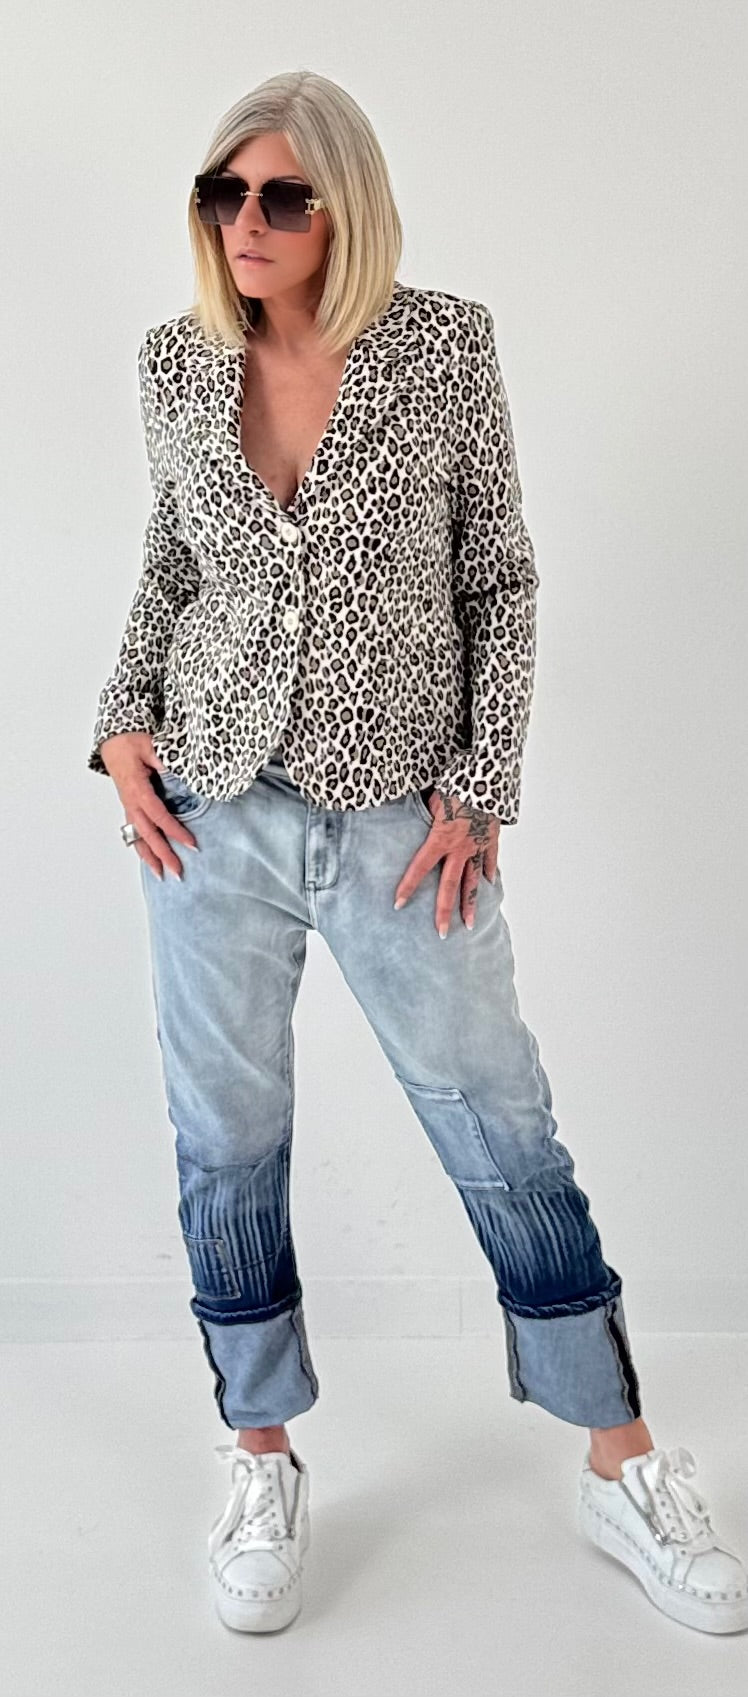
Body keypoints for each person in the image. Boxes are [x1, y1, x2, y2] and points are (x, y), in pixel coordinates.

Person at [87, 69, 748, 1638]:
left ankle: (620, 1458)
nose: (247, 221)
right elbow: (172, 565)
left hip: (403, 821)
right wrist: (119, 722)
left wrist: (481, 788)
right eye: (224, 194)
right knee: (224, 1138)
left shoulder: (443, 347)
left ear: (345, 206)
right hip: (212, 811)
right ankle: (260, 1454)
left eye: (282, 195)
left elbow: (501, 578)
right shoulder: (174, 363)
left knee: (501, 1121)